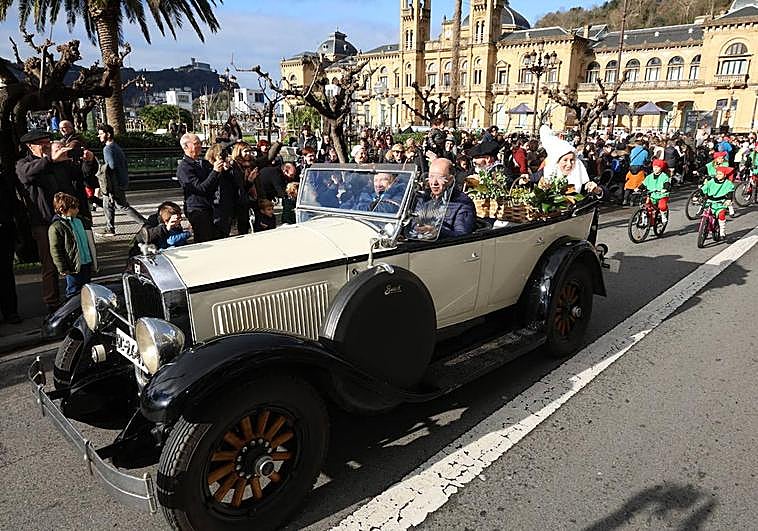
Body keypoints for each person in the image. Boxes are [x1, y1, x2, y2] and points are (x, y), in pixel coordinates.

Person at [16, 130, 96, 313]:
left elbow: (82, 175)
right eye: (42, 144)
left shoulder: (61, 164)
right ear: (31, 146)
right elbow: (27, 175)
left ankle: (79, 298)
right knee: (50, 263)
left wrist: (89, 161)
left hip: (68, 220)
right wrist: (51, 159)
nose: (46, 146)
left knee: (77, 257)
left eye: (48, 142)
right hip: (44, 222)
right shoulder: (24, 164)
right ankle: (52, 303)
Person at [97, 124, 146, 236]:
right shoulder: (116, 147)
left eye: (101, 134)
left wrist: (103, 168)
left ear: (108, 134)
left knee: (121, 206)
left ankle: (145, 223)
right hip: (120, 181)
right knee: (109, 204)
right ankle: (110, 228)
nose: (99, 136)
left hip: (114, 183)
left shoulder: (107, 149)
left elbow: (112, 166)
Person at [531, 125, 604, 199]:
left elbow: (604, 194)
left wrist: (598, 190)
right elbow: (532, 179)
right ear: (558, 161)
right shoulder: (549, 170)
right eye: (565, 160)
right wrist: (524, 179)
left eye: (572, 160)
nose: (569, 164)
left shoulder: (581, 171)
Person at [48, 192, 96, 298]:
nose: (77, 210)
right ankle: (74, 311)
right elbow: (55, 250)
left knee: (87, 289)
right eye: (73, 208)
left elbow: (88, 242)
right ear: (62, 209)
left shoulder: (80, 221)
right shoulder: (56, 227)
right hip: (72, 266)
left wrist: (93, 260)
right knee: (73, 291)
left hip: (86, 262)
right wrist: (62, 267)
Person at [413, 158, 475, 239]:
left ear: (450, 180)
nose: (434, 183)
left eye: (440, 177)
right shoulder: (423, 198)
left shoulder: (462, 203)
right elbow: (413, 223)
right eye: (431, 177)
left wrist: (438, 232)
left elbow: (463, 237)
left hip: (444, 247)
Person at [177, 133, 222, 242]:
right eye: (196, 143)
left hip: (211, 207)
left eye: (200, 143)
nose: (200, 146)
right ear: (186, 147)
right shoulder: (184, 168)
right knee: (204, 239)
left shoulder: (202, 163)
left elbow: (213, 184)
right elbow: (200, 189)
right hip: (198, 209)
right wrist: (215, 171)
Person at [0, 175, 21, 324]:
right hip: (5, 229)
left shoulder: (2, 180)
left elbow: (12, 204)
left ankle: (10, 311)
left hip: (4, 231)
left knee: (5, 274)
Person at [701, 165, 735, 238]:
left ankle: (722, 231)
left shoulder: (728, 183)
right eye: (717, 174)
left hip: (720, 202)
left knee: (721, 214)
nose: (718, 175)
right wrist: (700, 193)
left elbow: (730, 192)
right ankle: (705, 225)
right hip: (710, 201)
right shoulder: (712, 181)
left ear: (725, 175)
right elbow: (705, 187)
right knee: (705, 212)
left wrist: (729, 200)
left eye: (720, 174)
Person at [637, 159, 671, 224]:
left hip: (662, 195)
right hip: (652, 194)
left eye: (657, 167)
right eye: (654, 167)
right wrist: (638, 188)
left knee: (662, 206)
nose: (655, 169)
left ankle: (663, 215)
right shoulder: (649, 176)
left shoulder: (664, 176)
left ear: (661, 168)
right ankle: (651, 223)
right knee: (648, 208)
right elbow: (644, 184)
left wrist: (665, 189)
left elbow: (667, 184)